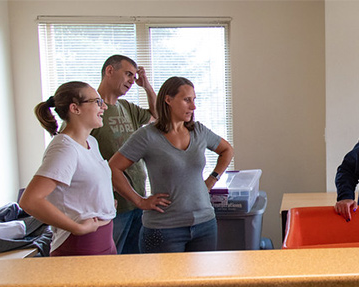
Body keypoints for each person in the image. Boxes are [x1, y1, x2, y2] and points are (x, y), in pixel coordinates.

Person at [109, 76, 234, 253]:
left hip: (204, 224)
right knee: (167, 282)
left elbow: (227, 150)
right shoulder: (147, 136)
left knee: (203, 281)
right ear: (168, 100)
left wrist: (212, 180)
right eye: (186, 100)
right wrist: (139, 201)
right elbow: (113, 167)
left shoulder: (198, 130)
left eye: (194, 100)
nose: (193, 106)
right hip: (164, 229)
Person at [20, 82, 116, 256]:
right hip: (80, 243)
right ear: (75, 108)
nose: (104, 106)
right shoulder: (65, 148)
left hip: (104, 237)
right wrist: (77, 228)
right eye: (97, 101)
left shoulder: (91, 143)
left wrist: (104, 203)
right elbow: (30, 200)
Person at [91, 55, 157, 255]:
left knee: (133, 263)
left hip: (137, 200)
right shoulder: (90, 107)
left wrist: (146, 86)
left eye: (134, 76)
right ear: (110, 70)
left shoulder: (126, 107)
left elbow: (157, 117)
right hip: (111, 206)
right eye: (128, 74)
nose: (131, 80)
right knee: (110, 263)